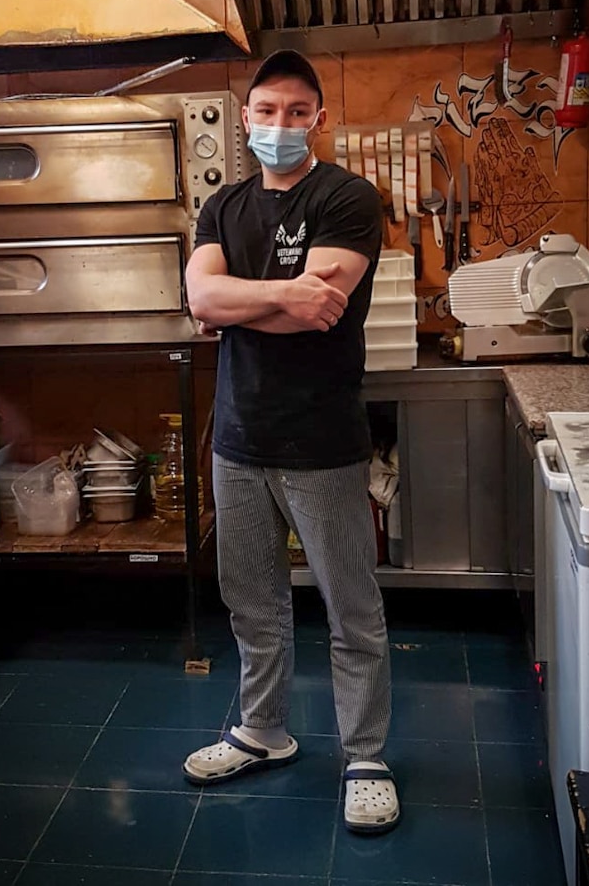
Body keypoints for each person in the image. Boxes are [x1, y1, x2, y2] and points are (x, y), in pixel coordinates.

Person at [182, 49, 398, 834]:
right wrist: (274, 292)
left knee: (351, 608)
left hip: (323, 442)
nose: (280, 125)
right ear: (246, 117)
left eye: (296, 112)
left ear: (319, 119)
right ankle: (262, 730)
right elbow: (200, 295)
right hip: (236, 438)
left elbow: (320, 308)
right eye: (266, 110)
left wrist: (235, 304)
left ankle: (365, 753)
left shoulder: (347, 198)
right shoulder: (223, 207)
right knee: (253, 601)